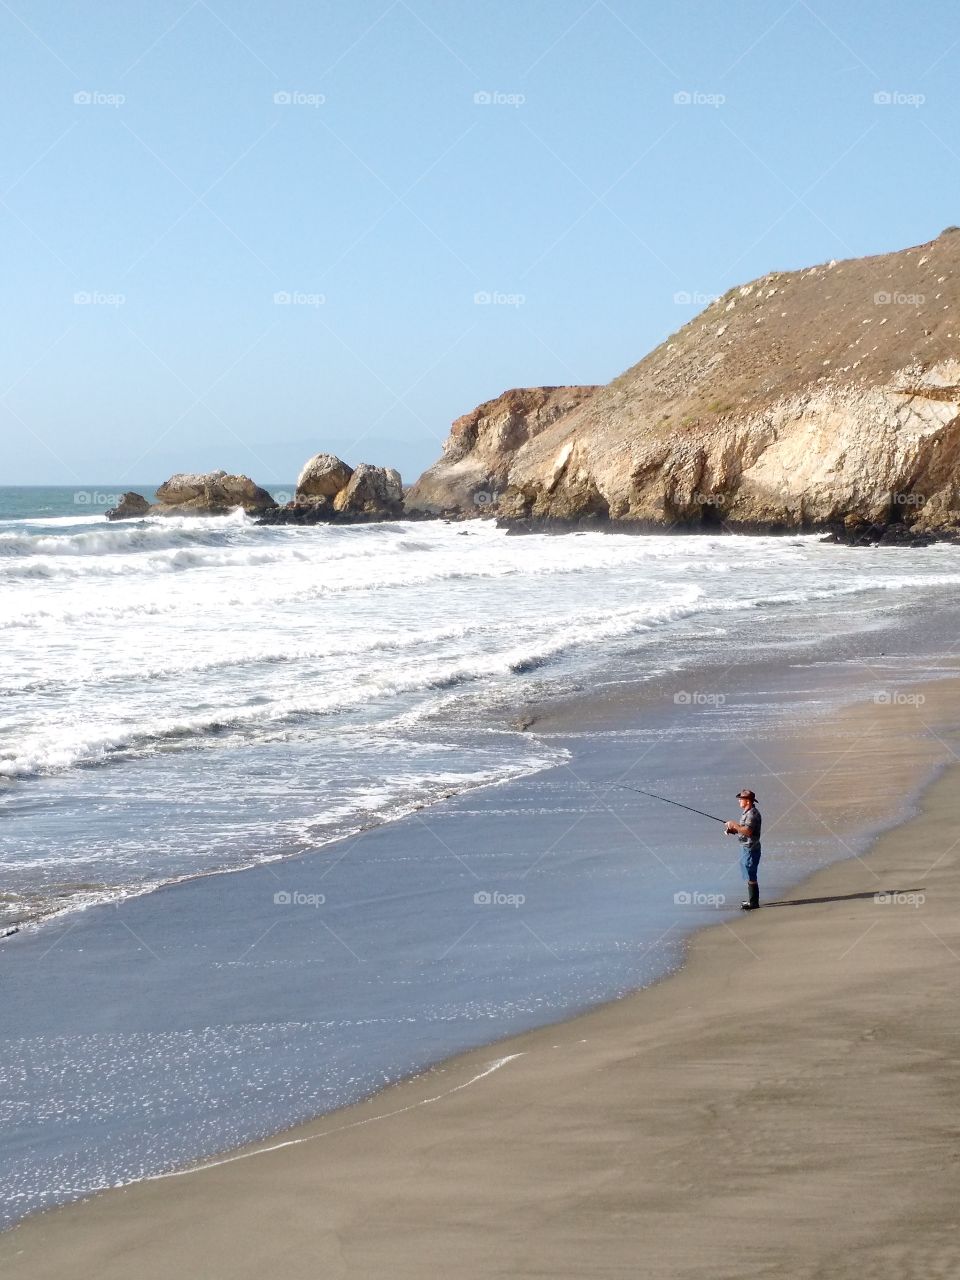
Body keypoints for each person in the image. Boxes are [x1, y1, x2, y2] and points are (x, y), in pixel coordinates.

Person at [726, 788, 761, 910]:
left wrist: (734, 825)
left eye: (741, 799)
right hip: (745, 847)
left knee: (751, 874)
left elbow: (748, 831)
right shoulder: (747, 812)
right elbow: (743, 830)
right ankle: (752, 901)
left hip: (751, 848)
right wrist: (734, 830)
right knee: (748, 873)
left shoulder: (752, 813)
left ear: (747, 801)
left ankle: (754, 903)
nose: (739, 801)